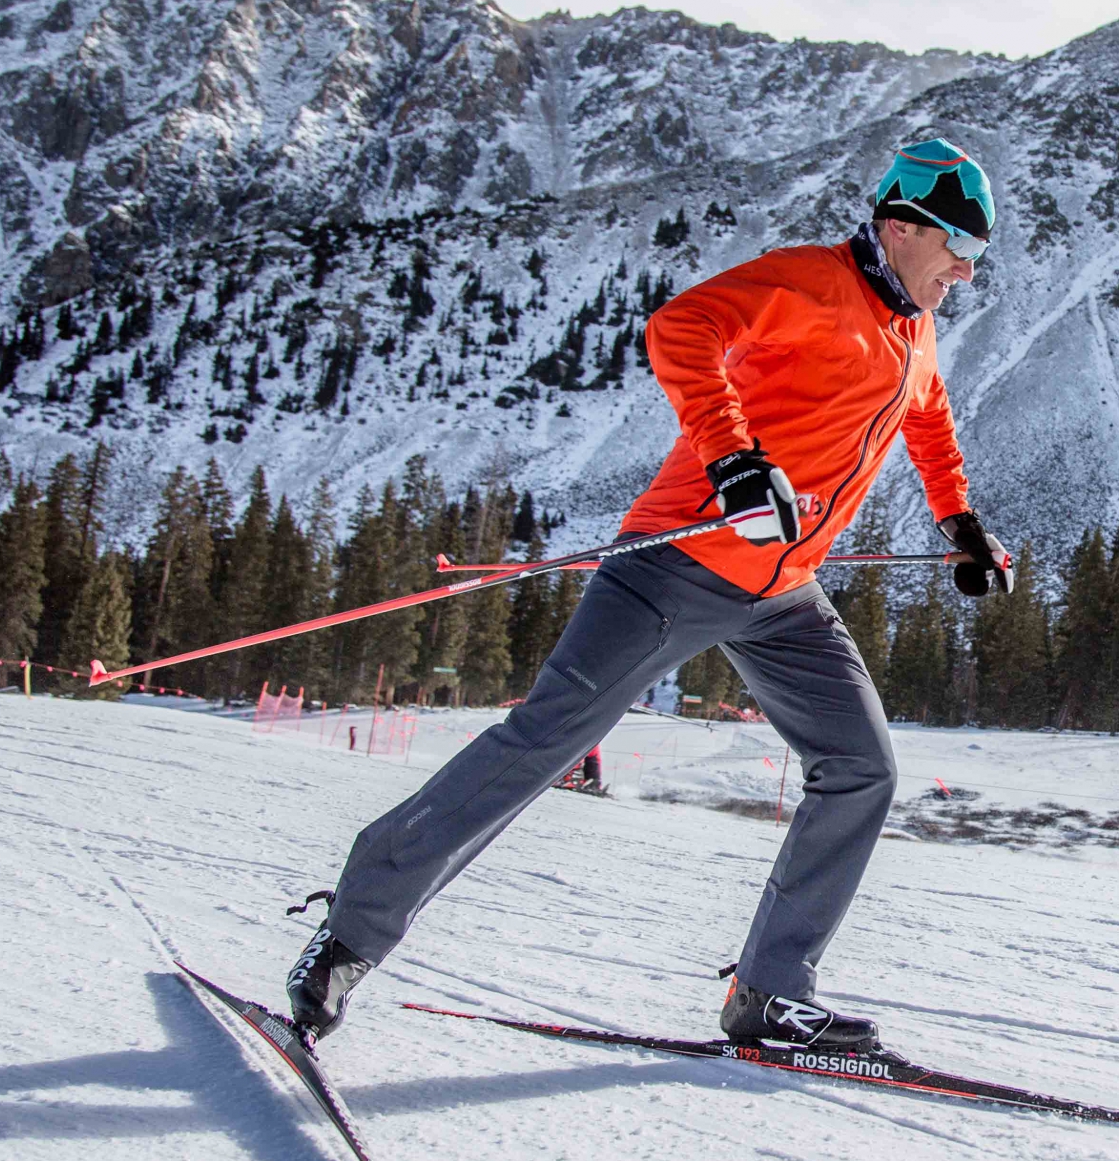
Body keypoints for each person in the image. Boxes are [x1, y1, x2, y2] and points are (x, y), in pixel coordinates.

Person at [286, 139, 1014, 1052]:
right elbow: (681, 330)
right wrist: (734, 458)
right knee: (546, 740)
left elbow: (928, 416)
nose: (966, 269)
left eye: (977, 255)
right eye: (959, 247)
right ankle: (352, 932)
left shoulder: (915, 323)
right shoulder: (806, 282)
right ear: (899, 227)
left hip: (786, 592)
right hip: (680, 565)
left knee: (863, 768)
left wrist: (962, 523)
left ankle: (769, 994)